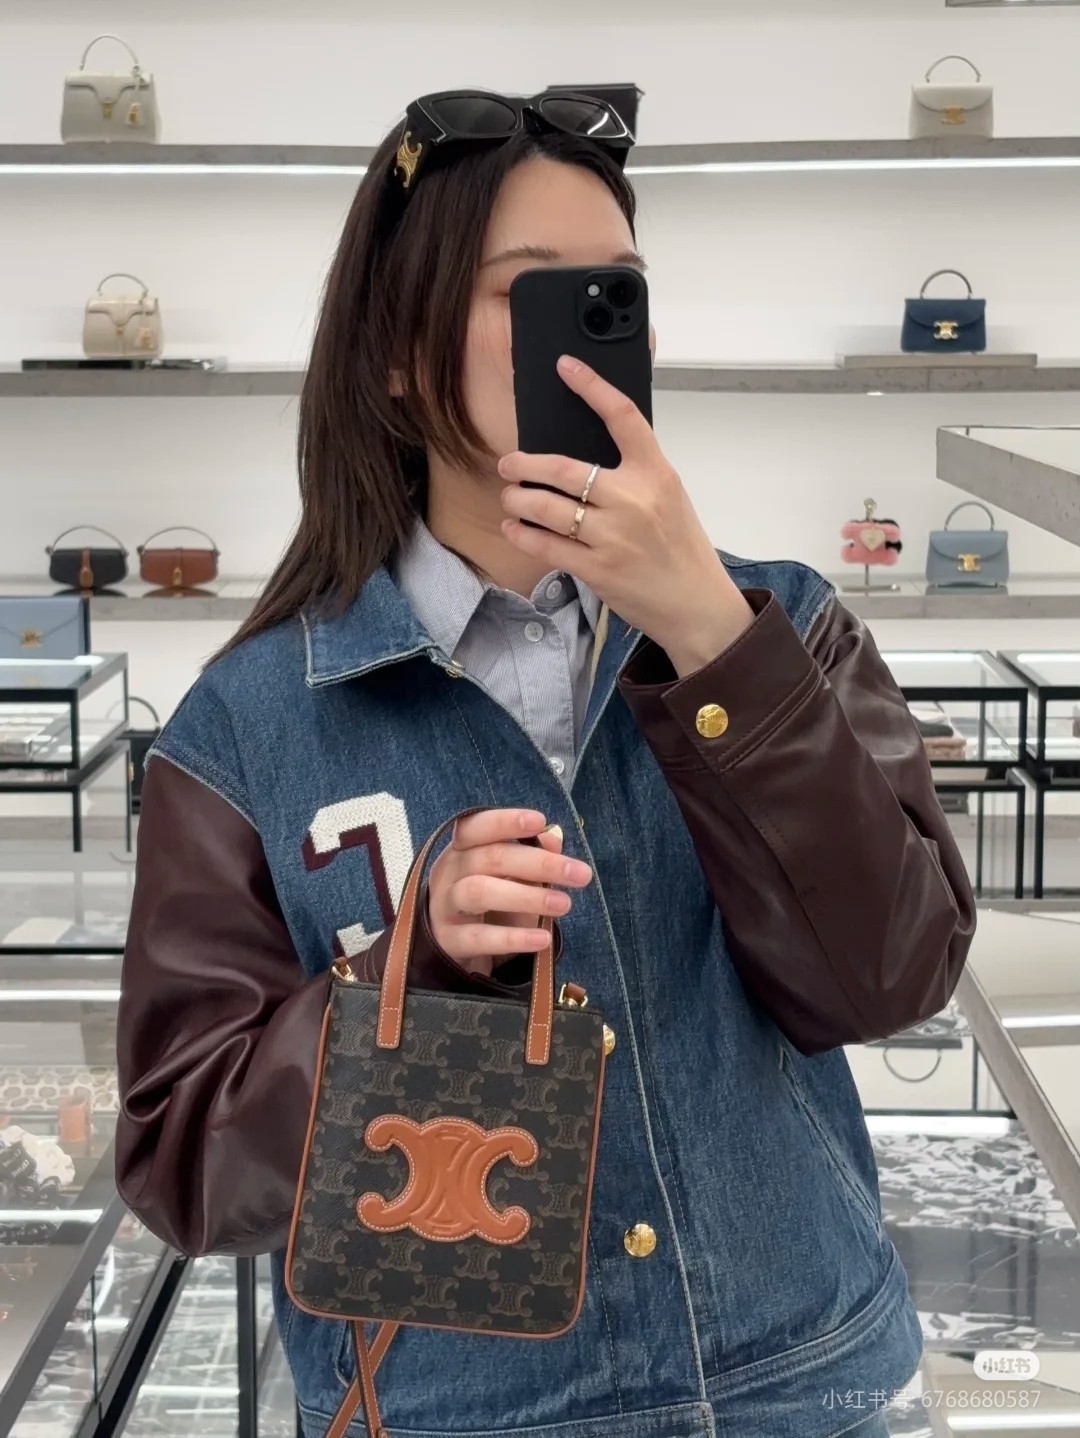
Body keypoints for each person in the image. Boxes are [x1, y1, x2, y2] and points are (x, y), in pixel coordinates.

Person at [116, 88, 976, 1438]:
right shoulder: (247, 729)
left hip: (812, 1385)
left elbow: (893, 977)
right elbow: (184, 1159)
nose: (589, 331)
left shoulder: (781, 629)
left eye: (616, 291)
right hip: (463, 1413)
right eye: (532, 292)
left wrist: (713, 637)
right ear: (397, 352)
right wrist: (402, 984)